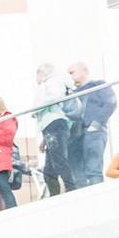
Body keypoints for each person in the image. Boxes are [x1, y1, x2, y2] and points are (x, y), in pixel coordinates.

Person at [64, 61, 117, 188]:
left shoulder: (98, 85)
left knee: (94, 170)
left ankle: (97, 202)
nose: (70, 76)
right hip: (74, 135)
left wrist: (96, 125)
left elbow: (110, 103)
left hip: (92, 131)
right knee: (77, 175)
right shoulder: (70, 93)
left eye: (72, 72)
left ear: (85, 70)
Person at [34, 62, 77, 194]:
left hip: (54, 124)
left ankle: (71, 188)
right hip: (51, 126)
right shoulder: (52, 82)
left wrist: (36, 108)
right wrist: (44, 140)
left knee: (59, 159)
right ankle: (55, 195)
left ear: (41, 74)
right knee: (49, 169)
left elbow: (55, 96)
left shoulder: (51, 81)